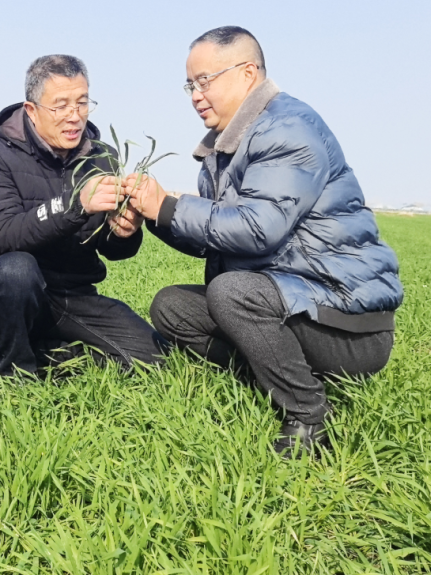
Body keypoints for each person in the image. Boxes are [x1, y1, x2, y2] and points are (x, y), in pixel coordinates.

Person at [128, 26, 403, 456]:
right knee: (171, 307)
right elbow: (218, 238)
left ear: (247, 73)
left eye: (205, 80)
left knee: (232, 291)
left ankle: (310, 416)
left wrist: (168, 207)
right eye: (190, 85)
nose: (196, 95)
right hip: (294, 303)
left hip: (346, 323)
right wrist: (156, 216)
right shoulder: (225, 147)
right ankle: (270, 378)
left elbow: (258, 229)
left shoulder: (287, 130)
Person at [0, 54, 168, 377]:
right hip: (7, 293)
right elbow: (3, 233)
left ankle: (50, 354)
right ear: (31, 110)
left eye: (82, 103)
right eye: (60, 106)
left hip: (73, 295)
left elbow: (112, 249)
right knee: (18, 269)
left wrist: (125, 232)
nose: (74, 117)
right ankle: (16, 372)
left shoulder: (102, 158)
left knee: (154, 359)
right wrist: (76, 205)